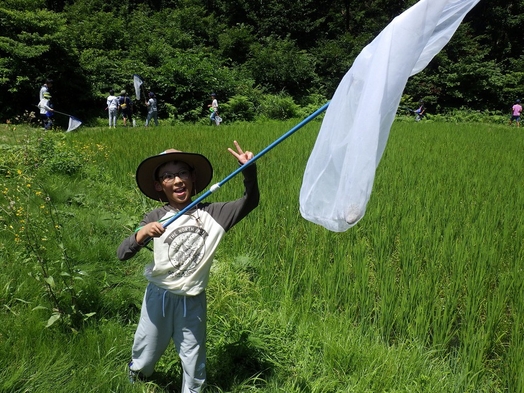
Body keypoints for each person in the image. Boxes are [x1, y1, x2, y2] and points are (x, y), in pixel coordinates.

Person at [117, 141, 259, 392]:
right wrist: (142, 235)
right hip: (158, 298)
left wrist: (249, 171)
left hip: (192, 301)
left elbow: (250, 201)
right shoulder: (154, 217)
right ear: (160, 185)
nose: (178, 180)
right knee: (146, 352)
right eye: (168, 176)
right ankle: (136, 375)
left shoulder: (214, 214)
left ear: (193, 178)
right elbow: (122, 253)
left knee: (194, 358)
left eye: (183, 173)